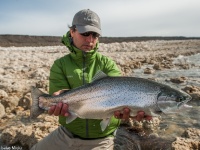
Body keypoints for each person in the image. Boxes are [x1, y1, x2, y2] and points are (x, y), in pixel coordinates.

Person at [31, 9, 151, 150]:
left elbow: (120, 94)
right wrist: (54, 99)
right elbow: (58, 92)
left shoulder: (107, 64)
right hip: (66, 134)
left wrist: (133, 109)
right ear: (72, 32)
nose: (90, 40)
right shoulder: (60, 65)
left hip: (102, 140)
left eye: (94, 35)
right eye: (85, 33)